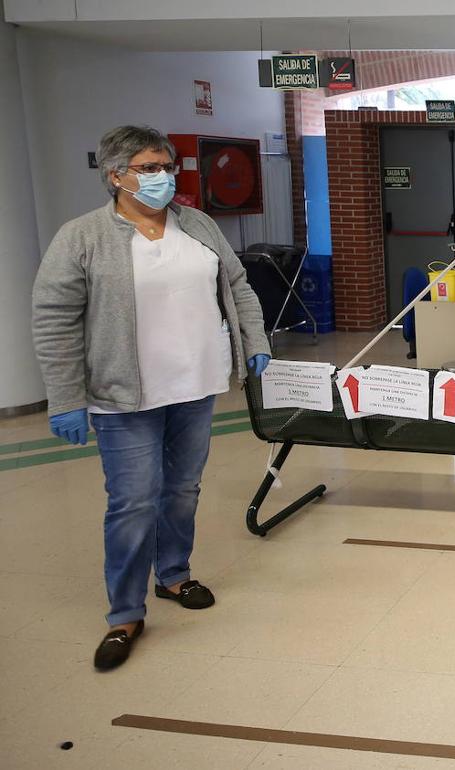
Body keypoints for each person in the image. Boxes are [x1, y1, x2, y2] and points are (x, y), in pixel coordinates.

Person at [31, 126, 272, 671]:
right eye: (147, 167)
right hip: (123, 395)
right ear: (115, 175)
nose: (162, 176)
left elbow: (237, 287)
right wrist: (66, 396)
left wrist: (254, 342)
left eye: (166, 166)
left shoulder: (198, 224)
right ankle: (124, 612)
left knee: (182, 489)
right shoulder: (82, 237)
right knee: (134, 501)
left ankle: (174, 575)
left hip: (196, 383)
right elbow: (54, 321)